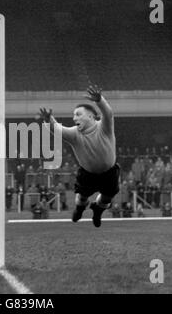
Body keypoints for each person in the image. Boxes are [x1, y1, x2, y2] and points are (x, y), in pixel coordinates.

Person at [39, 84, 119, 227]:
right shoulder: (74, 133)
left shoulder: (104, 127)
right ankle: (80, 208)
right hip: (88, 173)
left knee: (107, 198)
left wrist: (99, 100)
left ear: (91, 116)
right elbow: (57, 130)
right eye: (74, 115)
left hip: (109, 172)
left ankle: (97, 211)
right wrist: (48, 120)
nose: (74, 118)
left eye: (78, 114)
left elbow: (108, 114)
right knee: (82, 197)